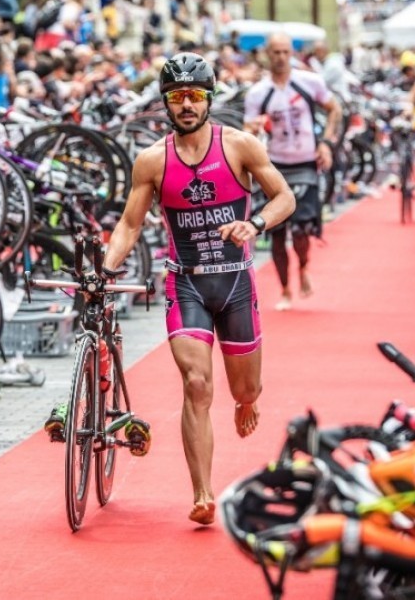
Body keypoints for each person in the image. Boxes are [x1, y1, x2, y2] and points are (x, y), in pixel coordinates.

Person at [46, 52, 293, 527]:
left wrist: (254, 224)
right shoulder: (153, 160)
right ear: (165, 103)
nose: (186, 105)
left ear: (208, 100)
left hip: (236, 281)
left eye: (194, 96)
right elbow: (129, 224)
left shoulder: (240, 146)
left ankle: (248, 400)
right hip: (186, 284)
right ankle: (202, 491)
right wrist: (105, 268)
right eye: (177, 97)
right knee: (196, 384)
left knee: (244, 388)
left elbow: (285, 196)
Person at [243, 33, 341, 312]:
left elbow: (335, 110)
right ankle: (285, 288)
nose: (281, 57)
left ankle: (304, 267)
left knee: (301, 230)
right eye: (276, 52)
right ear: (267, 54)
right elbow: (246, 131)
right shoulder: (258, 93)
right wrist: (256, 126)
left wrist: (327, 143)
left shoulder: (309, 82)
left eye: (286, 52)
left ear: (292, 53)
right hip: (273, 166)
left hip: (305, 163)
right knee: (275, 232)